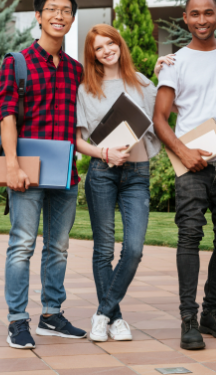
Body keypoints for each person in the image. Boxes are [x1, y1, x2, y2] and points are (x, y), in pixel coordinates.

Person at [153, 0, 216, 350]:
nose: (202, 20)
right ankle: (188, 318)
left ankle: (211, 311)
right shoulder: (175, 63)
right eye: (195, 14)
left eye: (209, 13)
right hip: (191, 163)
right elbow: (160, 119)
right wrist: (183, 151)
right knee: (189, 234)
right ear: (185, 18)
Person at [0, 0, 87, 350]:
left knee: (59, 247)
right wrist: (13, 166)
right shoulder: (17, 62)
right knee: (21, 245)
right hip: (26, 171)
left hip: (65, 172)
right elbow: (6, 117)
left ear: (72, 18)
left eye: (65, 10)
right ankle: (17, 320)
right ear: (38, 16)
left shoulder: (75, 70)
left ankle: (51, 314)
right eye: (51, 9)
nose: (59, 16)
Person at [76, 24, 160, 342]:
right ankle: (117, 319)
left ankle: (103, 313)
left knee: (135, 249)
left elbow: (164, 113)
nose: (106, 50)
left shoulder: (142, 83)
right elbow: (78, 140)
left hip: (137, 174)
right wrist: (104, 152)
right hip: (102, 173)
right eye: (99, 48)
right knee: (103, 250)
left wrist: (163, 72)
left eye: (110, 43)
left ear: (119, 45)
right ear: (93, 55)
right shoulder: (87, 88)